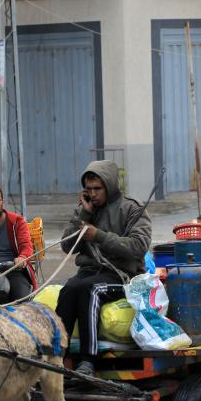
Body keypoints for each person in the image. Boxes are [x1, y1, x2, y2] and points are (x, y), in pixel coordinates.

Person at [58, 160, 151, 376]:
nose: (92, 194)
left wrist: (98, 236)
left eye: (97, 189)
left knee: (90, 289)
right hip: (90, 272)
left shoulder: (132, 209)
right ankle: (56, 354)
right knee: (69, 289)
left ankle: (88, 359)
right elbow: (67, 246)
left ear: (109, 185)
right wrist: (85, 215)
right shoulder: (85, 209)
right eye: (88, 189)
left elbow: (138, 246)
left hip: (122, 275)